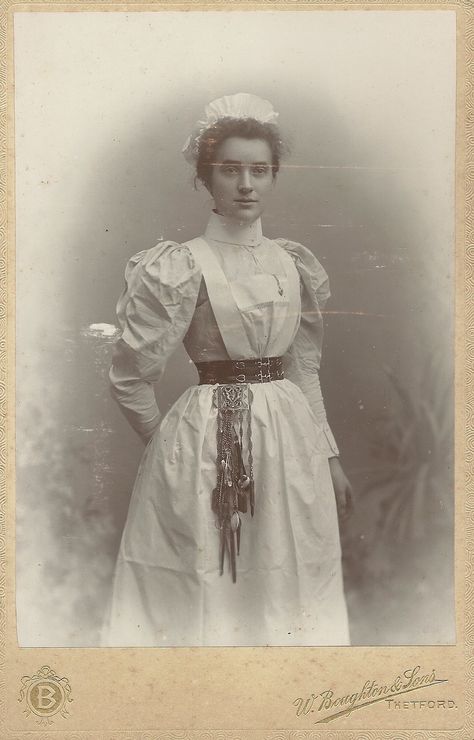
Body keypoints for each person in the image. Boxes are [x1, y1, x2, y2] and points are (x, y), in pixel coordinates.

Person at [101, 93, 353, 647]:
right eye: (230, 170)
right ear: (205, 177)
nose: (246, 184)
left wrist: (329, 455)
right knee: (209, 583)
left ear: (273, 177)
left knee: (287, 578)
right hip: (203, 447)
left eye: (259, 171)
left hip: (290, 442)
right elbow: (130, 376)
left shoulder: (293, 261)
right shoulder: (180, 264)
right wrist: (167, 447)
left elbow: (303, 369)